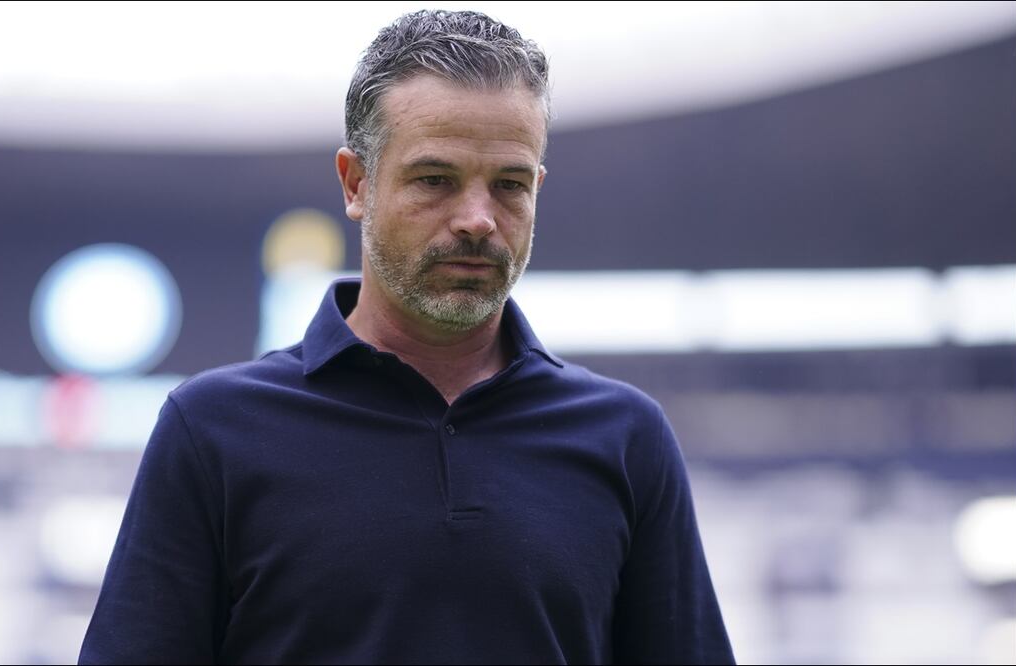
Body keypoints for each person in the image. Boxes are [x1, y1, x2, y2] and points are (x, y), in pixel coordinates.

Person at [79, 9, 735, 665]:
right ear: (355, 183)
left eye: (508, 185)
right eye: (434, 180)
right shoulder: (213, 429)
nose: (477, 219)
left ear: (536, 188)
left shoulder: (624, 437)